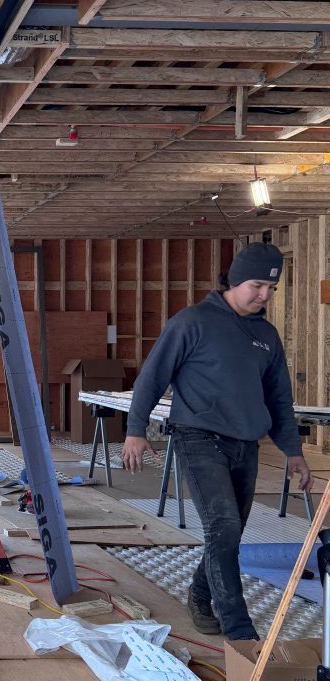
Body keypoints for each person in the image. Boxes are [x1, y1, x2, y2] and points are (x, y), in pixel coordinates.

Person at [121, 242, 312, 641]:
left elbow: (278, 398)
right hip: (198, 437)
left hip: (246, 443)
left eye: (271, 289)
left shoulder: (266, 336)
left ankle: (200, 592)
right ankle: (239, 629)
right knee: (222, 526)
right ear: (236, 279)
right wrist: (135, 430)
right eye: (257, 285)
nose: (263, 296)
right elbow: (152, 378)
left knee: (231, 532)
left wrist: (294, 453)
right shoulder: (192, 322)